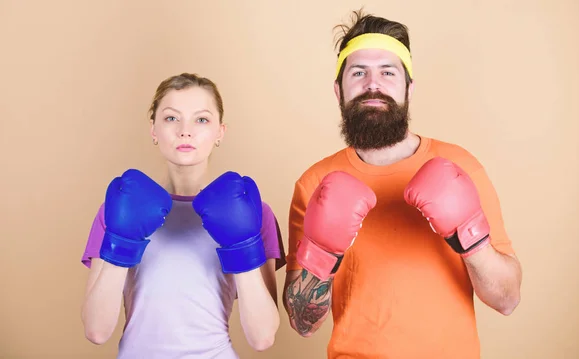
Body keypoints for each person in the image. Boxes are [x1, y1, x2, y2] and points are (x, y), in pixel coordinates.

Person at [282, 9, 523, 359]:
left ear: (409, 87)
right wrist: (322, 254)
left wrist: (469, 235)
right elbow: (302, 324)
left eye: (388, 72)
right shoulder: (313, 183)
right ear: (338, 90)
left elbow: (507, 300)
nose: (373, 84)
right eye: (358, 72)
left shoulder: (461, 166)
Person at [80, 73, 285, 358]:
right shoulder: (118, 208)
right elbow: (96, 330)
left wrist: (242, 244)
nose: (185, 131)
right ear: (153, 129)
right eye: (171, 118)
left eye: (201, 119)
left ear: (220, 132)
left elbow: (262, 337)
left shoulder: (255, 212)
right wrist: (122, 239)